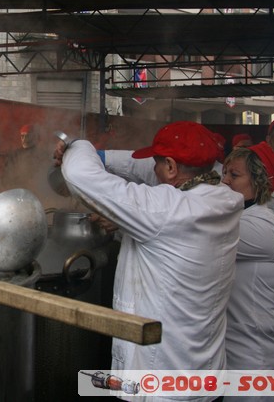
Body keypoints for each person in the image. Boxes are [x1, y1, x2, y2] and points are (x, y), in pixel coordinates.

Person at [56, 121, 244, 387]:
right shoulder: (222, 199)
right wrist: (124, 222)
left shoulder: (165, 209)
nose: (151, 171)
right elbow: (167, 245)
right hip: (203, 374)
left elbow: (81, 175)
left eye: (157, 164)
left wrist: (76, 144)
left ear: (170, 167)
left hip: (159, 378)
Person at [220, 141, 274, 373]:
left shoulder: (263, 225)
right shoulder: (240, 215)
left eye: (234, 175)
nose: (225, 180)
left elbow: (203, 237)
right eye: (225, 173)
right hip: (233, 346)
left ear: (259, 181)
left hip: (252, 354)